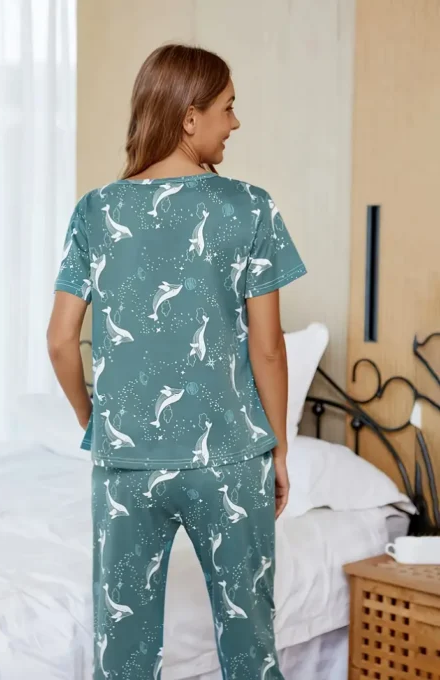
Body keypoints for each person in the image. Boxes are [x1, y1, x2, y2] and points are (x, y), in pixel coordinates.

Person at [47, 43, 306, 680]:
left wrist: (95, 422)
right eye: (228, 108)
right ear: (190, 117)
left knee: (123, 656)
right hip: (229, 462)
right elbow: (268, 347)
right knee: (250, 651)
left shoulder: (96, 211)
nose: (235, 123)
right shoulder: (250, 207)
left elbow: (59, 340)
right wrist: (277, 448)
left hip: (125, 464)